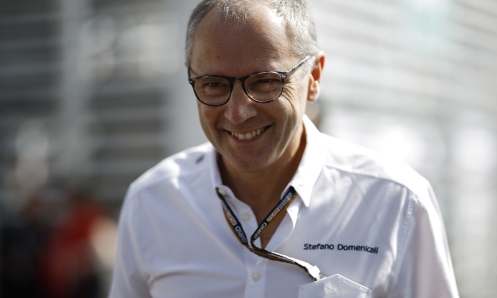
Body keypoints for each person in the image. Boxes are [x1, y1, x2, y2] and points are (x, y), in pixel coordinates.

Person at [109, 0, 459, 297]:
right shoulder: (151, 203)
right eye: (214, 84)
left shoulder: (397, 201)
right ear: (191, 77)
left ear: (315, 78)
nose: (238, 112)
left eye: (264, 81)